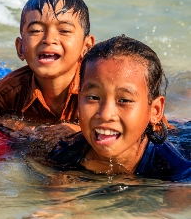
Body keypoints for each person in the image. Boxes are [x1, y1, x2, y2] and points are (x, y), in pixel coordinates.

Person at [48, 35, 188, 181]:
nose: (105, 114)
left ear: (155, 111)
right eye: (93, 97)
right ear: (79, 100)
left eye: (124, 100)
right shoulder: (62, 156)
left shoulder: (176, 170)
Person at [0, 0, 95, 128]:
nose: (49, 40)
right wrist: (20, 127)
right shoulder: (3, 96)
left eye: (64, 31)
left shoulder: (99, 89)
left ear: (87, 48)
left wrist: (80, 133)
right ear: (20, 48)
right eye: (36, 30)